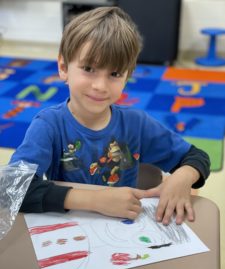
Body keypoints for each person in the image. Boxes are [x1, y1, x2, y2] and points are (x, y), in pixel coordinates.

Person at [10, 6, 210, 225]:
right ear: (63, 67)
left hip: (125, 231)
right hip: (72, 230)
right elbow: (13, 188)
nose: (100, 86)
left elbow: (196, 157)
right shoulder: (49, 126)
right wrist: (95, 200)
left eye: (114, 74)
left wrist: (182, 177)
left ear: (127, 77)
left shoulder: (136, 123)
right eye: (88, 68)